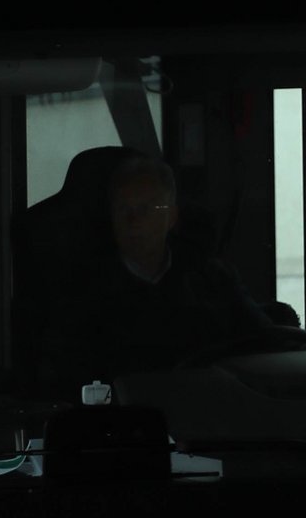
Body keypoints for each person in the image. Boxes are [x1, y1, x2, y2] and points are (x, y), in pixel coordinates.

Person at [70, 150, 287, 379]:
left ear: (172, 217)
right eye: (123, 209)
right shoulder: (85, 290)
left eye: (146, 209)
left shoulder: (212, 279)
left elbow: (265, 341)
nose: (133, 221)